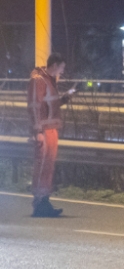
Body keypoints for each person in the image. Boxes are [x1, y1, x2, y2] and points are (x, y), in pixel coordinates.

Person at [27, 53, 75, 217]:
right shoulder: (39, 79)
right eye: (61, 67)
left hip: (50, 129)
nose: (61, 71)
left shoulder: (48, 80)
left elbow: (49, 105)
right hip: (44, 131)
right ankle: (39, 202)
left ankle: (44, 200)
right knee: (42, 165)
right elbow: (35, 105)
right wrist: (37, 131)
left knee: (48, 165)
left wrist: (65, 99)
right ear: (54, 65)